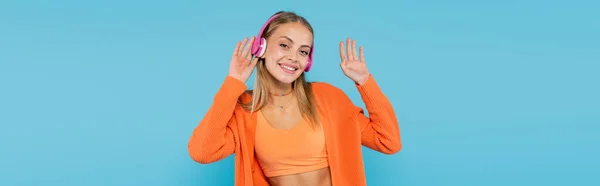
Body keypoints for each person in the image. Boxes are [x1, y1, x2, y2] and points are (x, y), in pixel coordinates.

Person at [187, 11, 402, 186]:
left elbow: (388, 142)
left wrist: (365, 82)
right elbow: (202, 152)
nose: (293, 57)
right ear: (260, 48)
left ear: (308, 61)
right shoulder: (244, 109)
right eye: (284, 45)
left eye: (303, 51)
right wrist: (233, 82)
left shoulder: (328, 97)